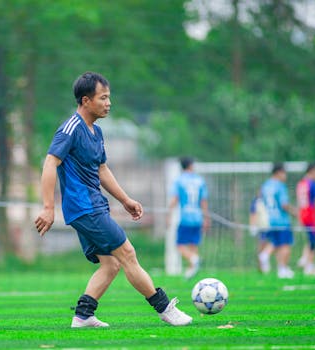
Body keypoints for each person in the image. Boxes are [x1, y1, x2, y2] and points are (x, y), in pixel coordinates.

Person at [34, 72, 192, 328]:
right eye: (103, 98)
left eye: (109, 97)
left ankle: (83, 315)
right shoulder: (70, 129)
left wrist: (126, 200)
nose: (108, 103)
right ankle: (164, 308)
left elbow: (102, 170)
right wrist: (48, 207)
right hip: (84, 207)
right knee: (128, 253)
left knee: (111, 264)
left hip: (93, 206)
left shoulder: (96, 132)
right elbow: (50, 162)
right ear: (86, 100)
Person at [166, 157, 209, 279]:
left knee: (179, 245)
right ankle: (191, 271)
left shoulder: (179, 181)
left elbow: (174, 199)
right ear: (190, 165)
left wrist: (168, 215)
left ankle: (194, 260)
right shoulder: (200, 180)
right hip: (198, 217)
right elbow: (204, 201)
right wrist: (206, 218)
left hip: (186, 217)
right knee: (193, 245)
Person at [259, 163, 298, 279]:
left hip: (270, 220)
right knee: (285, 245)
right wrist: (295, 212)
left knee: (276, 243)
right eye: (284, 173)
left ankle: (267, 256)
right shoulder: (280, 186)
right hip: (282, 220)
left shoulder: (265, 185)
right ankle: (282, 268)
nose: (285, 176)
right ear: (279, 172)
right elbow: (284, 204)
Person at [296, 162, 315, 276]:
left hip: (304, 215)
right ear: (312, 171)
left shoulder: (301, 183)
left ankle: (304, 258)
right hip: (312, 216)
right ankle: (309, 265)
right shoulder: (312, 184)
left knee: (312, 239)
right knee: (314, 241)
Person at [249, 189, 274, 273]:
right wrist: (253, 226)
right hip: (262, 227)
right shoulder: (256, 202)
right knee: (262, 246)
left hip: (270, 226)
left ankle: (265, 262)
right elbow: (253, 214)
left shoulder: (268, 201)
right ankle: (261, 267)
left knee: (271, 244)